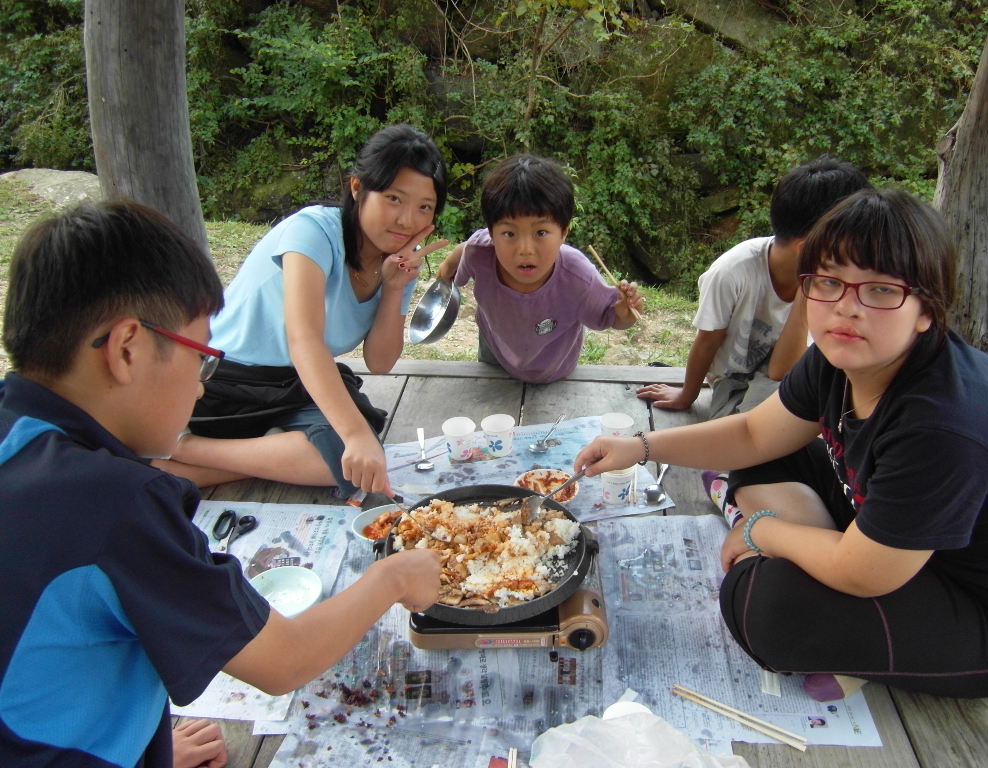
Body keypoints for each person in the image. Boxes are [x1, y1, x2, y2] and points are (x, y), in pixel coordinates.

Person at [0, 201, 441, 765]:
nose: (203, 387)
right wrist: (394, 577)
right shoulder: (116, 505)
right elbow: (284, 660)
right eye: (203, 358)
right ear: (128, 349)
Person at [575, 188, 988, 701]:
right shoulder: (839, 358)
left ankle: (832, 610)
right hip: (889, 539)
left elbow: (864, 572)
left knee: (766, 607)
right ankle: (827, 580)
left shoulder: (945, 425)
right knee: (764, 456)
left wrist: (761, 531)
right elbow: (754, 434)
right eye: (828, 282)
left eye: (880, 290)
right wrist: (640, 446)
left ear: (927, 309)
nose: (846, 308)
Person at [156, 124, 449, 498]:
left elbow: (379, 362)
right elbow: (304, 340)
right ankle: (231, 449)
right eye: (394, 198)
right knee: (353, 449)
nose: (407, 220)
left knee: (353, 459)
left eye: (424, 207)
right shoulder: (313, 231)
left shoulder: (400, 260)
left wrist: (394, 288)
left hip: (294, 382)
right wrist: (354, 434)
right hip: (225, 378)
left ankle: (187, 454)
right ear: (357, 188)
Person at [637, 156, 870, 418]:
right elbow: (707, 341)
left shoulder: (834, 286)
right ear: (808, 249)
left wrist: (808, 288)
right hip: (735, 384)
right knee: (759, 421)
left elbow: (782, 371)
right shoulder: (732, 272)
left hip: (791, 377)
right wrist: (686, 396)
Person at [436, 154, 643, 383]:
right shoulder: (479, 252)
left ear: (564, 232)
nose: (525, 249)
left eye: (541, 232)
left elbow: (613, 319)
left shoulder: (579, 277)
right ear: (492, 234)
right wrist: (446, 269)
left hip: (554, 366)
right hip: (493, 350)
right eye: (509, 233)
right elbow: (466, 248)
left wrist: (625, 315)